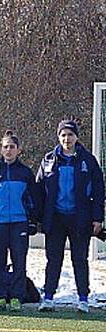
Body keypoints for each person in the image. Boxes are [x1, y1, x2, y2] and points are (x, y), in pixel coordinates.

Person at [36, 119, 104, 314]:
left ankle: (83, 299)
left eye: (70, 134)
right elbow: (39, 189)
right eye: (63, 135)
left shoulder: (87, 160)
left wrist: (97, 217)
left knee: (80, 260)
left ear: (76, 137)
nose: (67, 138)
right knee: (53, 259)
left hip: (79, 218)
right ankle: (48, 297)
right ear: (58, 137)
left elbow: (99, 190)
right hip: (55, 218)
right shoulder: (48, 160)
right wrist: (39, 217)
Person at [0, 130, 39, 312]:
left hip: (19, 223)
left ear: (18, 150)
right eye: (5, 147)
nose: (8, 150)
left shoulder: (25, 173)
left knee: (19, 262)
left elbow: (32, 198)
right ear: (1, 150)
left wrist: (32, 221)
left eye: (12, 147)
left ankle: (16, 297)